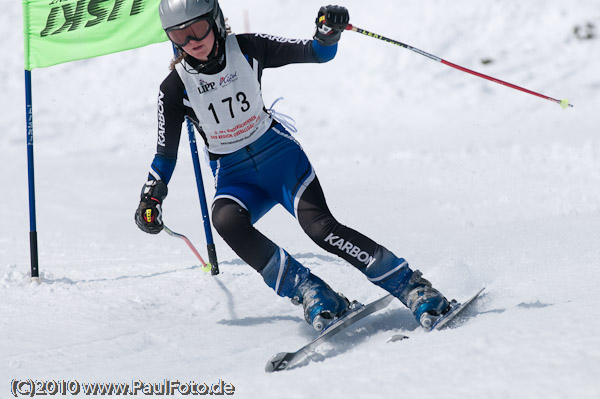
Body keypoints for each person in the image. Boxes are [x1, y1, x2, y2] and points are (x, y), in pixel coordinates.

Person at [135, 0, 453, 332]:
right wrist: (151, 196)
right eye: (179, 35)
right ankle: (311, 291)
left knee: (321, 230)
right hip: (235, 177)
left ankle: (412, 287)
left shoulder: (248, 48)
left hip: (281, 159)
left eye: (197, 29)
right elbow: (165, 154)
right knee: (225, 219)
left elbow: (317, 52)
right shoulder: (174, 88)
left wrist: (327, 35)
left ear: (215, 21)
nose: (191, 42)